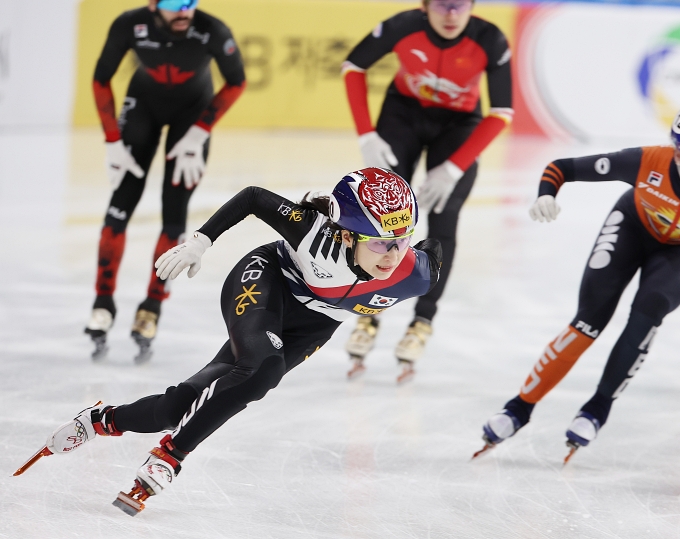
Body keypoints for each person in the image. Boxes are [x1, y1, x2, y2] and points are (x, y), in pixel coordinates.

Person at [15, 169, 442, 515]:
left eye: (402, 239)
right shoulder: (315, 234)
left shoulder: (414, 273)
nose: (393, 254)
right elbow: (255, 197)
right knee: (263, 369)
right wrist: (200, 242)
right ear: (346, 235)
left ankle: (101, 420)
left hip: (312, 325)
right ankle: (170, 456)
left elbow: (434, 249)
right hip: (266, 282)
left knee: (178, 407)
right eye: (383, 242)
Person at [474, 102, 680, 461]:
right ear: (678, 155)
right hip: (631, 228)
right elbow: (561, 168)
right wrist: (546, 193)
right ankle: (519, 407)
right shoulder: (647, 161)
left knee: (649, 311)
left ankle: (598, 407)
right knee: (589, 320)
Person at [341, 0, 512, 382]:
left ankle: (422, 322)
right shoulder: (404, 25)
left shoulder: (490, 39)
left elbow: (502, 110)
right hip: (403, 112)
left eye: (460, 5)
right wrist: (365, 133)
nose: (451, 14)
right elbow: (354, 66)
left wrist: (454, 167)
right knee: (381, 218)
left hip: (458, 125)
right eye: (442, 4)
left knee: (443, 220)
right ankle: (370, 311)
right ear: (425, 6)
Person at [85, 0, 246, 362]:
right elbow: (100, 78)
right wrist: (112, 140)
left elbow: (237, 82)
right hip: (141, 108)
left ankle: (152, 307)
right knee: (119, 207)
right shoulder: (130, 24)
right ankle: (102, 300)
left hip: (192, 117)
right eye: (175, 3)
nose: (186, 10)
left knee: (174, 215)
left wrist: (200, 132)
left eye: (192, 1)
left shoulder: (213, 30)